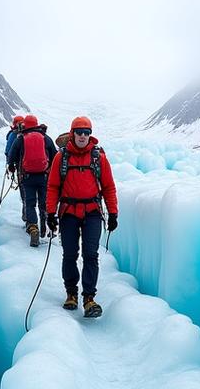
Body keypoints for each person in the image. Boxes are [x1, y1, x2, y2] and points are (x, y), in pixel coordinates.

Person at [45, 116, 118, 318]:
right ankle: (71, 293)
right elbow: (52, 186)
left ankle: (88, 298)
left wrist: (113, 213)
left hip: (92, 212)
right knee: (70, 254)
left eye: (87, 133)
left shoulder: (98, 158)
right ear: (72, 133)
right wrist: (50, 212)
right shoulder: (61, 158)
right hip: (68, 212)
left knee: (90, 254)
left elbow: (109, 186)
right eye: (79, 132)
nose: (83, 136)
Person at [8, 114, 57, 246]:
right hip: (43, 176)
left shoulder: (20, 139)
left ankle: (33, 227)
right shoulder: (45, 138)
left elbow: (11, 156)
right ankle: (44, 226)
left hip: (27, 177)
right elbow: (55, 155)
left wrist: (12, 167)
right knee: (43, 203)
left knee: (29, 203)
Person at [6, 115, 26, 221]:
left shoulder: (14, 135)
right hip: (40, 171)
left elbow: (8, 151)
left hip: (21, 169)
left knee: (25, 193)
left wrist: (10, 165)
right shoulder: (35, 134)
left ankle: (27, 217)